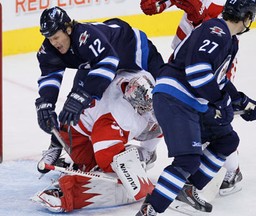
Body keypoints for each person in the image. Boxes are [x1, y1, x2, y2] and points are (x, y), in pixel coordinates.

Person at [136, 0, 256, 215]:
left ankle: (187, 187)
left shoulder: (228, 39)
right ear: (247, 17)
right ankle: (150, 210)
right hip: (175, 97)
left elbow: (219, 81)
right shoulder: (215, 31)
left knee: (227, 140)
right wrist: (220, 102)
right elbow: (197, 73)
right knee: (187, 159)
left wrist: (242, 102)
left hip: (190, 101)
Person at [35, 6, 164, 173]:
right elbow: (49, 76)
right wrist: (46, 104)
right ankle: (55, 144)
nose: (54, 43)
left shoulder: (85, 37)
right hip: (95, 58)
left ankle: (148, 152)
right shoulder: (49, 49)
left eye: (56, 37)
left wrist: (83, 95)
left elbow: (108, 62)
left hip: (135, 50)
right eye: (49, 38)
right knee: (73, 102)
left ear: (68, 29)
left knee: (161, 101)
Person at [32, 69, 163, 213]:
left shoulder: (139, 78)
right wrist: (125, 167)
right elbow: (106, 156)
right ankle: (63, 194)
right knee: (102, 168)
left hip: (85, 116)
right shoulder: (117, 115)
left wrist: (143, 154)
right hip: (77, 135)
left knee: (161, 125)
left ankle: (147, 153)